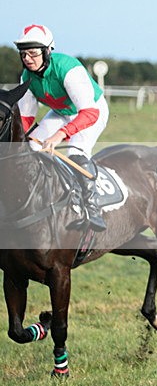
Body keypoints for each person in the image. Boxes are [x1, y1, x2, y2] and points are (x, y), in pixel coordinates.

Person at [14, 24, 108, 232]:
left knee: (75, 152)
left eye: (32, 53)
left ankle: (92, 207)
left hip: (92, 112)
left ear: (47, 51)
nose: (27, 58)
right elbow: (26, 119)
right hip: (62, 112)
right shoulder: (26, 77)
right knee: (31, 147)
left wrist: (60, 135)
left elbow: (89, 113)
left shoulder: (68, 69)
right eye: (23, 53)